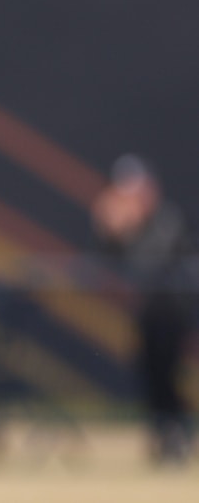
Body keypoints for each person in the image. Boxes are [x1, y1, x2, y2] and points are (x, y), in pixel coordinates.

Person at [91, 154, 196, 464]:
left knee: (169, 376)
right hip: (147, 316)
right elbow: (110, 260)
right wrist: (110, 230)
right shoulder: (130, 224)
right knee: (150, 376)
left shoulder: (165, 219)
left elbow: (152, 262)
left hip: (172, 313)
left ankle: (177, 437)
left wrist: (129, 229)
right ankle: (161, 437)